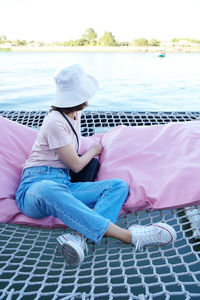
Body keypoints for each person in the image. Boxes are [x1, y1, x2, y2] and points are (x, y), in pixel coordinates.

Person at [15, 64, 177, 266]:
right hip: (35, 186)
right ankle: (131, 237)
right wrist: (93, 151)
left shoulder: (75, 115)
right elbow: (75, 165)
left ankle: (80, 238)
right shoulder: (54, 122)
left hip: (63, 184)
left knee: (118, 186)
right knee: (49, 188)